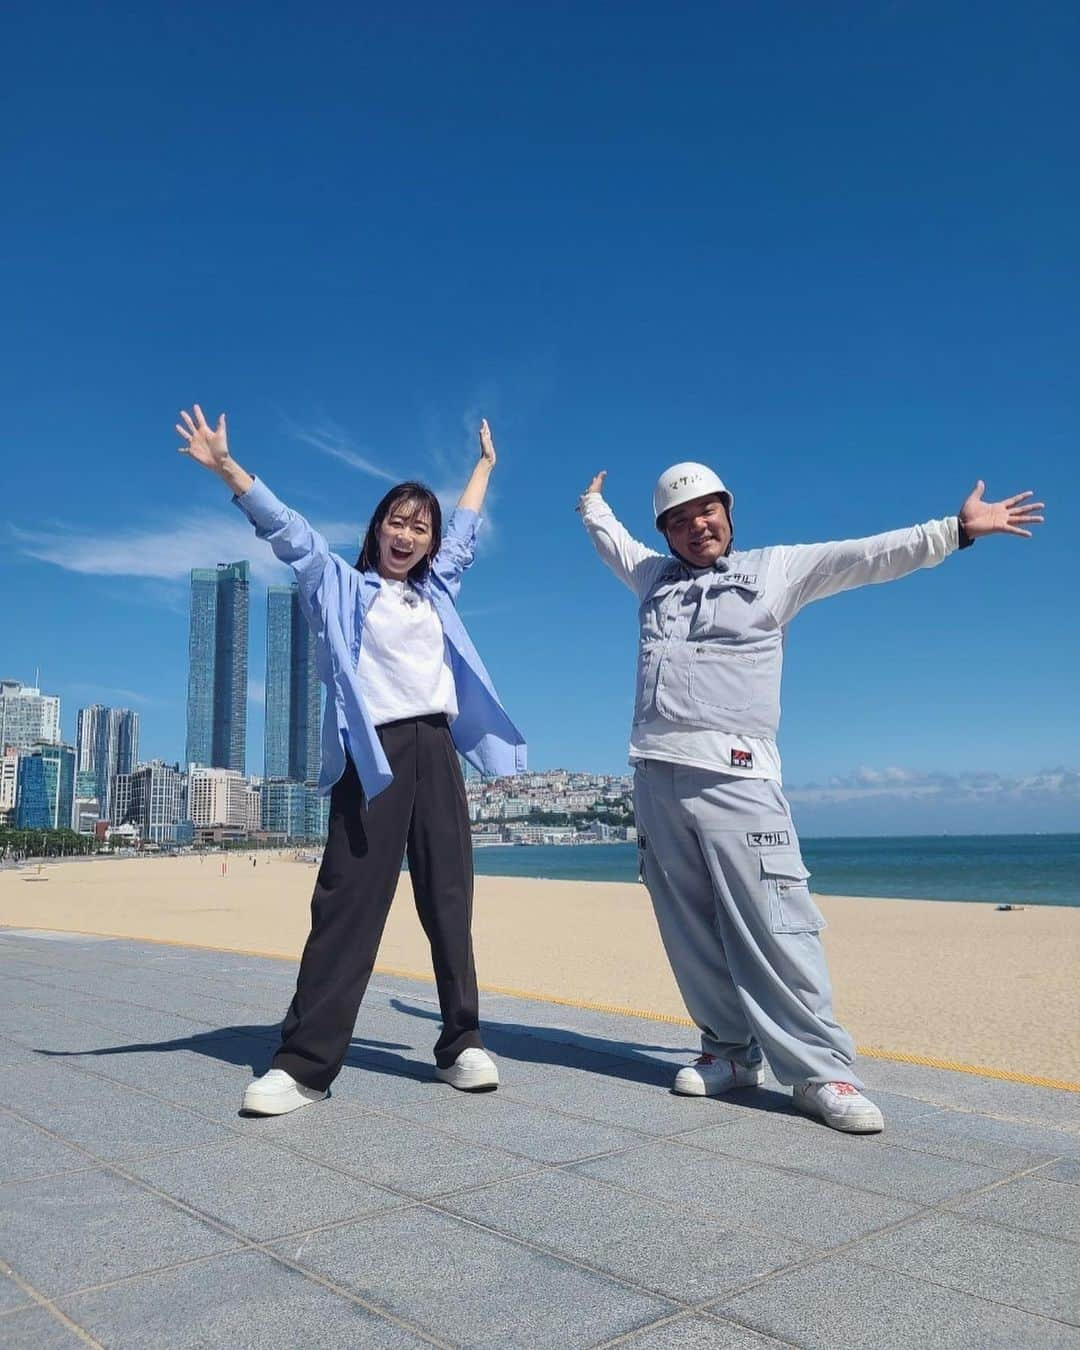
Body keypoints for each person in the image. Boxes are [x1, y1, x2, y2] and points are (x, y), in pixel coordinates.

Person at [579, 462, 1043, 1133]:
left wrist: (955, 531)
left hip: (738, 778)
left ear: (729, 514)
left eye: (706, 511)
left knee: (776, 924)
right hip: (654, 776)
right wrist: (590, 503)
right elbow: (612, 541)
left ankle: (823, 1070)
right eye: (678, 519)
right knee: (686, 929)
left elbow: (868, 556)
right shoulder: (651, 578)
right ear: (666, 531)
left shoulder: (777, 569)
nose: (694, 526)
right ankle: (730, 1054)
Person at [176, 404, 526, 1115]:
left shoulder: (438, 592)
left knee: (450, 902)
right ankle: (303, 1064)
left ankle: (461, 1044)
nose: (408, 535)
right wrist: (228, 471)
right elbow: (288, 532)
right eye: (397, 521)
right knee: (346, 903)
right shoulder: (338, 584)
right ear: (377, 529)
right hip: (375, 753)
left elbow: (465, 531)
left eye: (419, 528)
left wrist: (485, 466)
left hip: (437, 749)